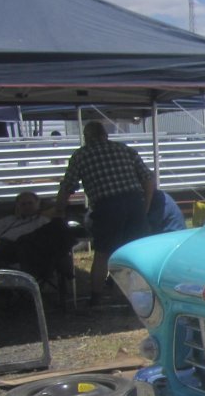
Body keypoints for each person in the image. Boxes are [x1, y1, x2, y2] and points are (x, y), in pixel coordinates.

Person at [55, 121, 153, 305]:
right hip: (134, 202)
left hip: (106, 206)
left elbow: (67, 187)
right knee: (136, 251)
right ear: (105, 135)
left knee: (102, 253)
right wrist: (144, 207)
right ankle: (137, 294)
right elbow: (148, 180)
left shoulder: (81, 155)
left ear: (86, 137)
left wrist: (59, 209)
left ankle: (96, 297)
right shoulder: (124, 149)